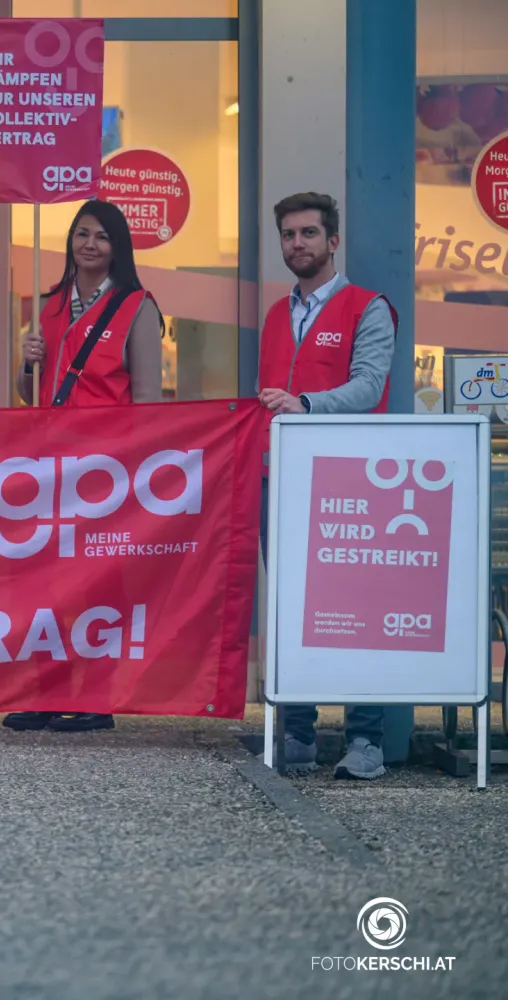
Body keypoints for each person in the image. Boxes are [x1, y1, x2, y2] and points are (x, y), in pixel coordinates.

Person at [4, 198, 165, 734]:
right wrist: (26, 364)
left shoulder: (137, 307)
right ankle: (46, 692)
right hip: (50, 467)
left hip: (105, 470)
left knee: (99, 582)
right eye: (82, 234)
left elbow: (145, 398)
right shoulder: (47, 306)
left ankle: (98, 695)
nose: (90, 244)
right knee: (46, 583)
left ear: (118, 246)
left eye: (101, 236)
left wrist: (138, 472)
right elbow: (32, 395)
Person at [258, 191, 395, 781]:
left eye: (309, 234)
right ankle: (298, 734)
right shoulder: (273, 314)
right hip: (280, 477)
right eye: (288, 235)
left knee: (358, 609)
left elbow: (368, 386)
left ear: (332, 241)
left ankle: (367, 740)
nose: (297, 245)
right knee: (290, 607)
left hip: (350, 482)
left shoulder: (369, 308)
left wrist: (306, 403)